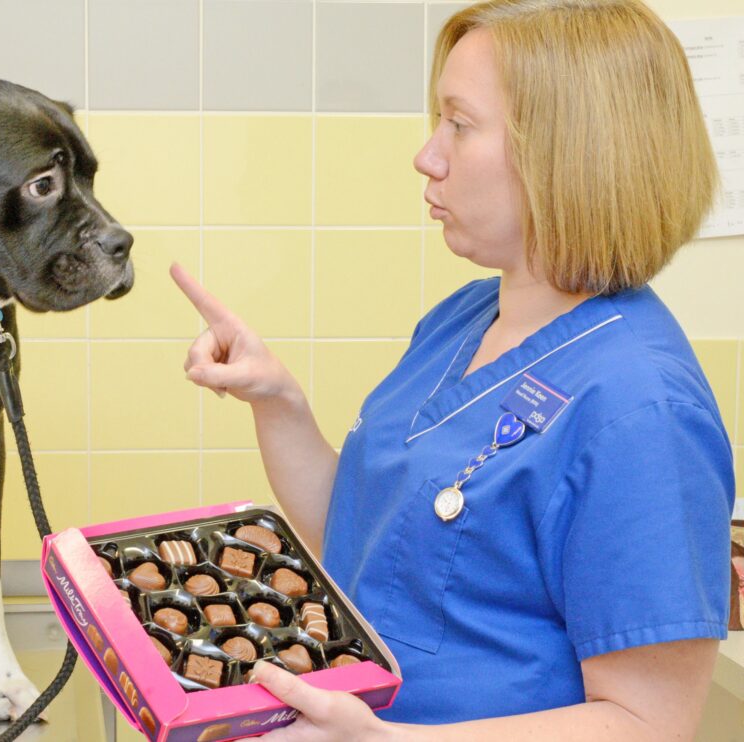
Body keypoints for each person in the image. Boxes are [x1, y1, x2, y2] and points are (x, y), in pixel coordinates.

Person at [169, 0, 734, 738]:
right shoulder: (464, 319)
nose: (427, 155)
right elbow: (372, 545)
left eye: (460, 126)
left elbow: (649, 723)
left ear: (566, 153)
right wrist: (276, 400)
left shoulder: (642, 408)